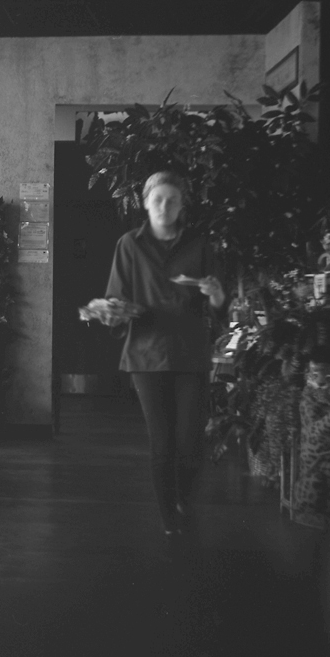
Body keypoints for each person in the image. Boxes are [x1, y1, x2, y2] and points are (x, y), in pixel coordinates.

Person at [104, 171, 227, 539]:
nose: (164, 206)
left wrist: (216, 295)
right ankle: (168, 516)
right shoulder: (129, 244)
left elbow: (219, 306)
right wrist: (113, 310)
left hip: (190, 352)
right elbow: (115, 299)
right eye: (158, 199)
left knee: (190, 439)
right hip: (146, 354)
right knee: (162, 441)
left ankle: (183, 498)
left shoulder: (200, 245)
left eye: (172, 200)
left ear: (182, 205)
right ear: (145, 202)